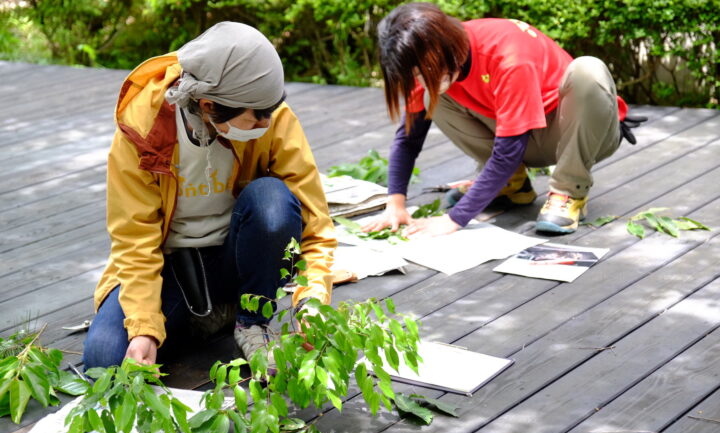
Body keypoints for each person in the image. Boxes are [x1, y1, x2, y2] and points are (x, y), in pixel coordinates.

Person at [83, 22, 336, 369]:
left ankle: (250, 319)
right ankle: (203, 314)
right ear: (208, 105)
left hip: (238, 253)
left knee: (272, 201)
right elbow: (134, 239)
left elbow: (314, 221)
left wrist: (312, 301)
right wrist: (144, 328)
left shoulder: (269, 111)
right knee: (104, 361)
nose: (268, 121)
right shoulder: (142, 131)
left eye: (271, 110)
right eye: (256, 117)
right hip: (172, 266)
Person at [365, 3, 644, 238]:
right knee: (431, 98)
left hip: (580, 134)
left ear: (440, 47)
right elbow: (409, 138)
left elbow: (508, 151)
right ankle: (512, 185)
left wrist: (453, 220)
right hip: (522, 138)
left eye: (423, 72)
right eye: (415, 76)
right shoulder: (426, 61)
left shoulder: (506, 54)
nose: (420, 80)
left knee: (588, 69)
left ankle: (569, 191)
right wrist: (395, 203)